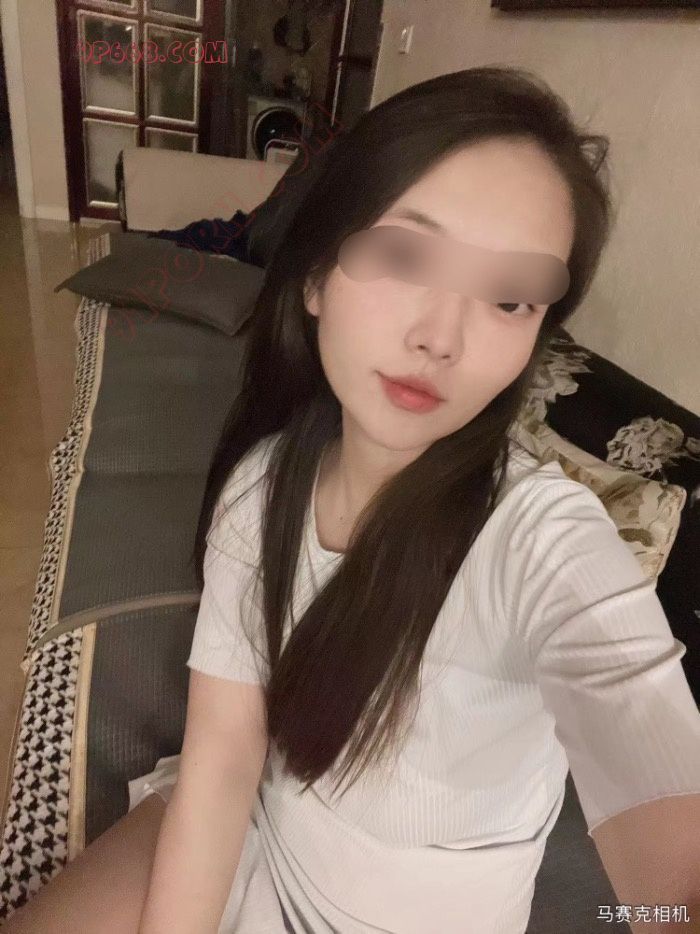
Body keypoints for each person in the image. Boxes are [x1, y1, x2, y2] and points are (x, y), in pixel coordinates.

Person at [5, 65, 700, 934]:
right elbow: (224, 761)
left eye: (510, 297)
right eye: (404, 256)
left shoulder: (544, 540)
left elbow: (675, 862)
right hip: (251, 835)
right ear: (315, 277)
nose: (441, 338)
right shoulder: (263, 486)